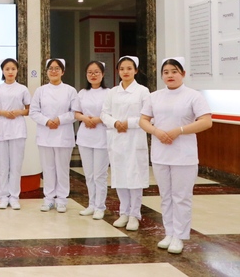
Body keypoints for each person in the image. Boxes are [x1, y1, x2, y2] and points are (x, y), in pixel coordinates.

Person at [140, 57, 212, 254]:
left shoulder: (193, 96)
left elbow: (206, 121)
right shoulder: (154, 96)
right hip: (160, 153)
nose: (170, 75)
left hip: (184, 155)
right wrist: (155, 131)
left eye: (174, 71)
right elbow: (143, 120)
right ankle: (169, 232)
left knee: (181, 196)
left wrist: (179, 130)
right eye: (166, 72)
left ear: (183, 74)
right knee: (166, 196)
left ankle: (180, 236)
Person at [100, 56, 150, 231]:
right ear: (118, 71)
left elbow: (147, 115)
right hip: (117, 138)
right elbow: (104, 113)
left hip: (134, 137)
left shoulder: (143, 91)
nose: (125, 72)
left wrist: (128, 123)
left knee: (135, 176)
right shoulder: (112, 92)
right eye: (122, 69)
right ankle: (124, 212)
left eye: (129, 68)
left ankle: (135, 214)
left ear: (136, 70)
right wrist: (115, 123)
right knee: (119, 175)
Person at [29, 58, 79, 213]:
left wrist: (59, 120)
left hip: (63, 135)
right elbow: (33, 111)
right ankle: (49, 198)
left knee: (62, 169)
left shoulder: (70, 90)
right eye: (50, 68)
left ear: (63, 71)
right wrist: (46, 121)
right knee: (48, 168)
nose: (53, 71)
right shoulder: (40, 91)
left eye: (57, 68)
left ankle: (62, 199)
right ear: (47, 72)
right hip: (45, 135)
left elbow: (75, 112)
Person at [0, 58, 30, 210]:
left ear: (17, 70)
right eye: (7, 69)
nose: (10, 72)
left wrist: (19, 111)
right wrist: (3, 113)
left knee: (16, 165)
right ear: (3, 71)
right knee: (2, 165)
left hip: (18, 129)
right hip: (1, 128)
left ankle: (14, 197)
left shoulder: (22, 89)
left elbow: (29, 109)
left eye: (13, 69)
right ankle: (3, 196)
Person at [74, 61, 109, 220]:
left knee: (99, 174)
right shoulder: (82, 93)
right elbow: (76, 112)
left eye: (96, 72)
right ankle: (91, 204)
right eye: (90, 72)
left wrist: (97, 119)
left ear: (103, 74)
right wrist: (84, 119)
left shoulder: (109, 93)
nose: (93, 75)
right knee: (89, 174)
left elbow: (111, 113)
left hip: (102, 136)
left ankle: (100, 206)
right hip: (85, 136)